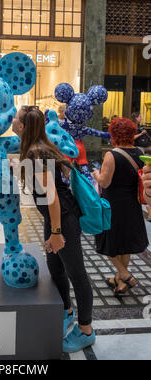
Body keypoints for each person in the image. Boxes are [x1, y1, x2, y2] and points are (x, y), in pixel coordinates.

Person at [13, 105, 95, 354]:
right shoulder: (36, 149)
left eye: (16, 119)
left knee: (76, 273)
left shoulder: (38, 153)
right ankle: (66, 311)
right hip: (55, 219)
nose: (12, 121)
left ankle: (86, 330)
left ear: (24, 127)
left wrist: (57, 232)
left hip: (63, 219)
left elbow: (53, 197)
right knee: (55, 266)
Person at [93, 118, 149, 296]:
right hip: (133, 205)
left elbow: (105, 182)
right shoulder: (138, 153)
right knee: (125, 244)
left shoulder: (112, 155)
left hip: (114, 205)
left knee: (109, 243)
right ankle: (120, 281)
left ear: (114, 134)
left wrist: (95, 173)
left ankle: (125, 275)